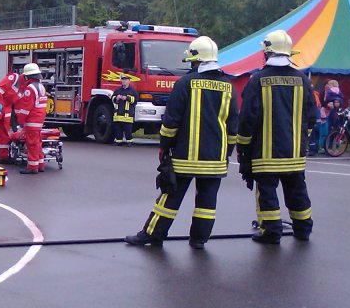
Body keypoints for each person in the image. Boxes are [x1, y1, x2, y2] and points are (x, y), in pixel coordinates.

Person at [126, 35, 237, 249]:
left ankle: (153, 234)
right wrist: (228, 152)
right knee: (207, 203)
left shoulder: (185, 83)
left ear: (196, 61)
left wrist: (165, 146)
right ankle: (198, 240)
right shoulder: (228, 86)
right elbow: (232, 124)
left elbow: (171, 121)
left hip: (186, 155)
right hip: (216, 157)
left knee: (169, 198)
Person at [235, 29, 316, 244]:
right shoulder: (303, 80)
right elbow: (311, 117)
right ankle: (303, 228)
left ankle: (271, 231)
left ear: (267, 53)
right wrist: (302, 140)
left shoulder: (257, 81)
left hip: (265, 153)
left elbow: (247, 120)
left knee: (267, 191)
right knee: (297, 190)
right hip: (295, 153)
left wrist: (243, 147)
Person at [14, 63, 48, 174]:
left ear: (28, 76)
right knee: (37, 142)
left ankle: (32, 167)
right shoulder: (40, 86)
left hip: (32, 120)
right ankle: (40, 164)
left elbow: (25, 108)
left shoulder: (30, 88)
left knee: (32, 143)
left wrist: (20, 121)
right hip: (39, 119)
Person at [111, 75, 137, 146]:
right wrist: (116, 98)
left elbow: (135, 100)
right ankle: (118, 141)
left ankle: (129, 142)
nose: (124, 81)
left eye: (125, 79)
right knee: (117, 129)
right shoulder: (118, 90)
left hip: (127, 116)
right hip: (118, 116)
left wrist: (127, 98)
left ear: (129, 81)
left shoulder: (132, 91)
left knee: (128, 130)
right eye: (123, 79)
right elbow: (112, 98)